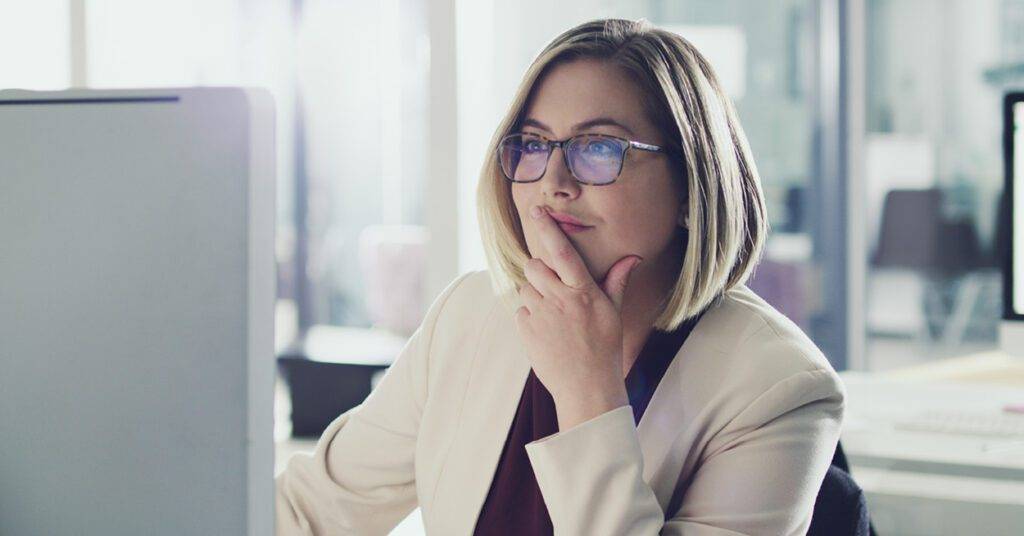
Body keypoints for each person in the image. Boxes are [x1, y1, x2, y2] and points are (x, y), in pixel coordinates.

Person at [275, 18, 845, 536]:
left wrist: (587, 393)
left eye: (598, 148)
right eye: (533, 144)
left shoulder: (779, 387)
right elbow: (308, 511)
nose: (553, 182)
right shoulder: (469, 314)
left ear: (690, 185)